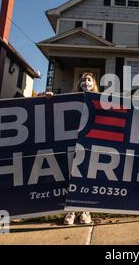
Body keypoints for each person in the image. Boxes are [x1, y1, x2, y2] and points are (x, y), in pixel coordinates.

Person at [43, 72, 99, 225]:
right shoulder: (71, 98)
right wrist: (49, 97)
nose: (86, 82)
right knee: (70, 175)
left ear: (94, 83)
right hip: (71, 142)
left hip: (89, 143)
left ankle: (85, 211)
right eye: (83, 80)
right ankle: (70, 211)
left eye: (89, 80)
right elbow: (55, 107)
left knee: (85, 176)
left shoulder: (100, 99)